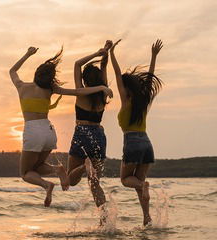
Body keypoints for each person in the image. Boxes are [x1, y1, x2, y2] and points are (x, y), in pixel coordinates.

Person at [9, 46, 113, 207]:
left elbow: (12, 71)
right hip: (62, 132)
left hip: (49, 132)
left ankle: (49, 183)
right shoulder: (54, 90)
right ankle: (104, 220)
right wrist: (105, 56)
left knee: (26, 173)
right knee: (94, 183)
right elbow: (80, 87)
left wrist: (28, 54)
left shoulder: (22, 87)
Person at [110, 39, 163, 225]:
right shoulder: (143, 103)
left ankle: (143, 185)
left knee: (125, 179)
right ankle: (146, 218)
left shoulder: (126, 101)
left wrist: (111, 52)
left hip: (131, 142)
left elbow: (117, 74)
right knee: (139, 187)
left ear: (126, 88)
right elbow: (149, 79)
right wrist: (154, 56)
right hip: (147, 144)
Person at [67, 41, 112, 215]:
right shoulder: (103, 92)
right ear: (100, 79)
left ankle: (83, 167)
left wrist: (97, 52)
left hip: (82, 133)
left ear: (85, 80)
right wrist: (106, 52)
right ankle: (104, 218)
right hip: (99, 136)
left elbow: (77, 64)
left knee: (71, 179)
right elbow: (104, 65)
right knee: (95, 184)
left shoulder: (81, 92)